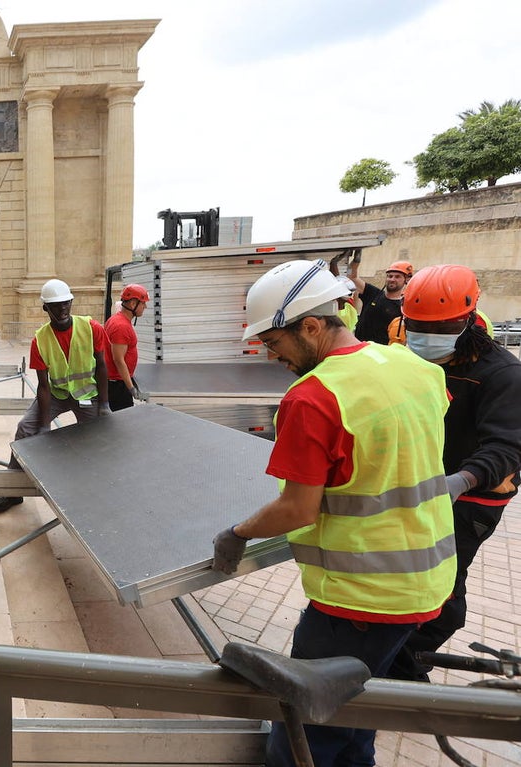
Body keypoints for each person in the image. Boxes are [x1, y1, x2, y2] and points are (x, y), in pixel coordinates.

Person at [211, 259, 455, 767]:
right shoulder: (416, 368)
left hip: (361, 600)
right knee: (355, 712)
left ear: (312, 326)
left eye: (275, 343)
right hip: (426, 583)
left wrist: (237, 533)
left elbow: (298, 509)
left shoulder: (313, 398)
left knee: (303, 735)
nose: (273, 357)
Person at [387, 265, 521, 683]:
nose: (428, 335)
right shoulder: (407, 353)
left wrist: (460, 481)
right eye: (419, 325)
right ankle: (395, 663)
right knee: (407, 580)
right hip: (421, 489)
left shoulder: (500, 374)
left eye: (443, 326)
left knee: (443, 596)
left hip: (471, 501)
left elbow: (508, 446)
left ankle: (402, 670)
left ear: (467, 320)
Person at [0, 279, 109, 513]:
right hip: (56, 394)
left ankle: (99, 492)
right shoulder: (40, 340)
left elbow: (102, 366)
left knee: (97, 439)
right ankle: (13, 491)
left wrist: (104, 405)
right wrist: (44, 426)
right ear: (46, 308)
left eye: (65, 304)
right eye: (55, 306)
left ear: (72, 302)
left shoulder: (92, 328)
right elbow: (43, 386)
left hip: (87, 394)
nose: (62, 309)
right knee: (26, 428)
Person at [105, 283, 149, 410]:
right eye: (143, 303)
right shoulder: (121, 326)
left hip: (117, 383)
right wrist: (131, 388)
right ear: (133, 304)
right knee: (123, 425)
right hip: (117, 386)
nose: (145, 306)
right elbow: (118, 359)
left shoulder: (119, 320)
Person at [350, 257, 412, 343]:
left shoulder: (403, 308)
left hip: (380, 353)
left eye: (397, 277)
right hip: (359, 347)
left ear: (406, 279)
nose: (392, 279)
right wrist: (356, 260)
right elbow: (353, 278)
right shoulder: (373, 294)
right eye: (390, 276)